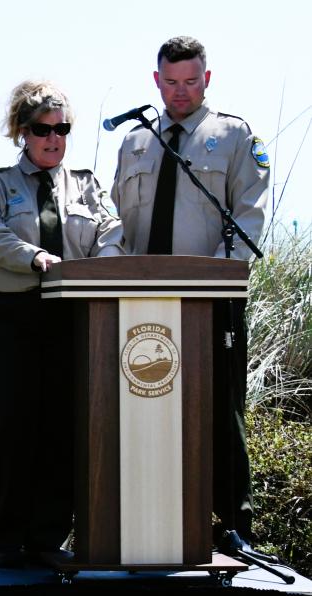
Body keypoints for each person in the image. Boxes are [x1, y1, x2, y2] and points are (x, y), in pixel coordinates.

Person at [110, 36, 270, 557]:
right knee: (142, 412)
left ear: (207, 79)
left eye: (191, 81)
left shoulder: (233, 136)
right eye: (171, 82)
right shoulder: (135, 141)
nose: (181, 92)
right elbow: (116, 219)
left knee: (220, 411)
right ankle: (147, 518)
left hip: (211, 300)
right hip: (140, 304)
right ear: (156, 81)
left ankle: (232, 523)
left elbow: (248, 216)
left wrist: (216, 277)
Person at [0, 81, 123, 568]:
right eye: (43, 130)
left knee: (62, 424)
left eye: (62, 129)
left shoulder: (85, 183)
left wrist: (105, 265)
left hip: (70, 314)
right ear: (23, 131)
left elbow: (110, 231)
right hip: (9, 315)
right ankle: (4, 537)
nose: (54, 139)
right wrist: (34, 256)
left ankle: (48, 536)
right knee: (9, 425)